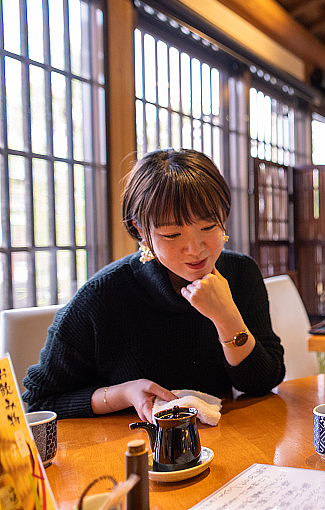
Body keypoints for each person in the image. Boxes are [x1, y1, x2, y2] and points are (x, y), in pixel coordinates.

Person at [23, 149, 285, 422]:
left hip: (218, 445)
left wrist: (226, 317)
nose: (196, 249)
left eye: (208, 227)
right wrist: (123, 393)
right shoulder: (102, 296)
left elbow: (262, 382)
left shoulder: (241, 274)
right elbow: (41, 401)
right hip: (127, 451)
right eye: (172, 234)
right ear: (140, 231)